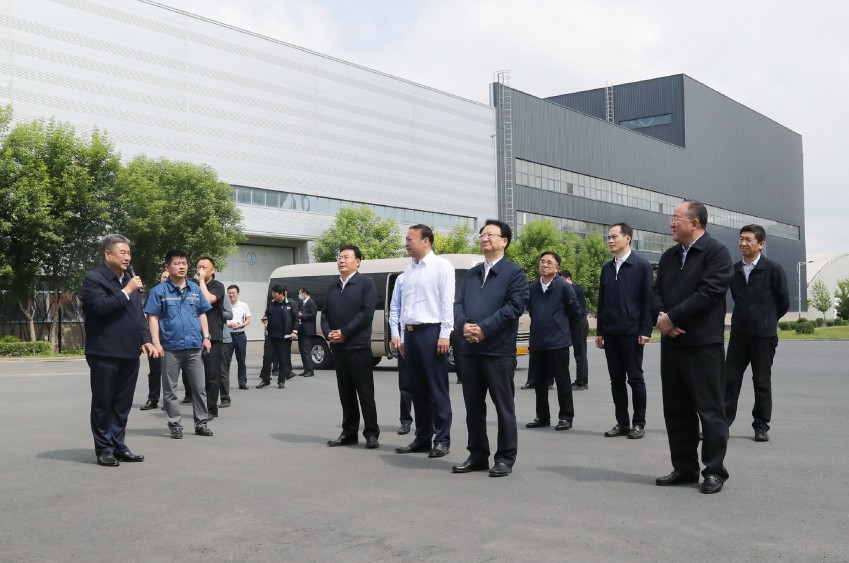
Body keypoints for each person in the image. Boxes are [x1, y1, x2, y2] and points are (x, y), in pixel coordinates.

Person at [652, 200, 733, 494]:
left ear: (695, 223)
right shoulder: (669, 256)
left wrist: (672, 317)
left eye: (676, 218)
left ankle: (714, 471)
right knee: (676, 409)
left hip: (703, 345)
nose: (671, 223)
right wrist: (661, 317)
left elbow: (710, 292)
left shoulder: (716, 253)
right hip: (672, 343)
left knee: (710, 411)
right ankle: (684, 468)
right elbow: (655, 292)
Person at [453, 220, 528, 477]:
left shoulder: (514, 273)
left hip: (498, 352)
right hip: (470, 351)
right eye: (482, 234)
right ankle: (477, 455)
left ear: (504, 241)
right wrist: (463, 325)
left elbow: (514, 307)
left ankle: (505, 458)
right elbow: (458, 304)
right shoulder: (472, 273)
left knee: (503, 408)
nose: (484, 238)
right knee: (473, 408)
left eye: (490, 234)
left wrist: (484, 329)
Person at [80, 234, 158, 466]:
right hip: (103, 352)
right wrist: (126, 291)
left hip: (129, 352)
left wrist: (146, 339)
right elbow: (100, 308)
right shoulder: (94, 279)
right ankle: (104, 449)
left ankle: (118, 445)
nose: (127, 257)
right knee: (103, 402)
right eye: (122, 252)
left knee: (122, 403)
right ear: (108, 254)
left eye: (129, 253)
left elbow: (138, 315)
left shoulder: (131, 279)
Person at [393, 225, 455, 459]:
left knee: (437, 388)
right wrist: (403, 336)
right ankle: (422, 437)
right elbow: (405, 307)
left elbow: (447, 301)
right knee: (417, 389)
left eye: (410, 239)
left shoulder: (441, 266)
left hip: (432, 332)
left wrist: (445, 333)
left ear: (426, 241)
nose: (406, 243)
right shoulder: (408, 271)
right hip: (411, 334)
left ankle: (442, 439)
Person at [724, 224, 790, 443]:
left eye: (748, 240)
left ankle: (761, 426)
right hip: (739, 335)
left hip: (764, 336)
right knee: (730, 380)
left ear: (761, 244)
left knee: (761, 381)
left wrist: (767, 320)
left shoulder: (772, 269)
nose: (743, 243)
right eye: (741, 239)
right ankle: (722, 424)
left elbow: (784, 302)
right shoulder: (734, 270)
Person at [145, 249, 214, 439]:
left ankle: (201, 423)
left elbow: (202, 313)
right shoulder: (158, 291)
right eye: (177, 263)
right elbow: (153, 317)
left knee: (199, 388)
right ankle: (174, 424)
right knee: (170, 390)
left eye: (184, 263)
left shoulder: (195, 289)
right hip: (170, 348)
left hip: (194, 347)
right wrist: (156, 342)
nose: (182, 266)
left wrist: (206, 337)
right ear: (167, 267)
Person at [595, 223, 654, 439]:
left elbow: (648, 300)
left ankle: (638, 423)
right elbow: (602, 301)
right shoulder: (607, 268)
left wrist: (645, 329)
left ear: (627, 238)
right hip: (611, 332)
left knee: (635, 378)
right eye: (608, 237)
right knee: (616, 380)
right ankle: (622, 422)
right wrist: (600, 330)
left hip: (632, 332)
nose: (610, 240)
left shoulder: (641, 265)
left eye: (614, 236)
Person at [321, 245, 380, 449]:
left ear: (358, 261)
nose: (341, 260)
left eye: (346, 257)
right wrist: (328, 333)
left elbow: (366, 314)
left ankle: (371, 433)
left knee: (365, 393)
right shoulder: (333, 287)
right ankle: (349, 432)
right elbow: (325, 314)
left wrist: (344, 332)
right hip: (338, 348)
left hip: (358, 347)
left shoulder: (366, 283)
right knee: (345, 393)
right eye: (339, 257)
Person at [525, 251, 582, 432]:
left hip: (558, 342)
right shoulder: (532, 288)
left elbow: (575, 313)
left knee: (562, 380)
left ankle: (566, 417)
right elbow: (531, 310)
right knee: (540, 382)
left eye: (549, 262)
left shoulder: (564, 287)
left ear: (557, 267)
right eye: (542, 261)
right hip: (538, 342)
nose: (545, 265)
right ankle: (542, 416)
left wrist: (560, 327)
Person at [196, 257, 226, 419]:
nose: (200, 270)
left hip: (213, 336)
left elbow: (207, 300)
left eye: (204, 267)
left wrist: (201, 281)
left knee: (212, 374)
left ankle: (211, 409)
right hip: (195, 335)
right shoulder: (192, 285)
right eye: (198, 267)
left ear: (212, 270)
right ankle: (199, 406)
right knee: (197, 376)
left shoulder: (217, 286)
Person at [257, 285, 298, 388]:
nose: (273, 295)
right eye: (273, 293)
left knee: (283, 359)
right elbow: (266, 314)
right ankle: (265, 379)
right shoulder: (271, 304)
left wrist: (294, 332)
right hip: (270, 336)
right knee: (267, 358)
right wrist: (265, 319)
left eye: (275, 293)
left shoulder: (291, 304)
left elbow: (296, 319)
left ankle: (281, 381)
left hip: (284, 337)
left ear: (282, 293)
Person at [140, 271, 170, 411]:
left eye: (167, 277)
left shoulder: (176, 292)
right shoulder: (154, 292)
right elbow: (146, 314)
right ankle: (153, 399)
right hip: (155, 338)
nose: (165, 279)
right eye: (163, 277)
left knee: (170, 372)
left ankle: (169, 400)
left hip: (171, 338)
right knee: (155, 371)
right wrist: (144, 336)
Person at [388, 274, 413, 435]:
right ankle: (405, 420)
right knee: (405, 384)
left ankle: (430, 422)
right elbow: (395, 308)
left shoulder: (435, 273)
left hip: (426, 338)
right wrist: (395, 334)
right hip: (405, 339)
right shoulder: (402, 278)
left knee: (428, 383)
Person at [560, 270, 589, 390]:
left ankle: (582, 381)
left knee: (580, 353)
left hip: (579, 322)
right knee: (577, 353)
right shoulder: (570, 289)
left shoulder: (574, 289)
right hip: (573, 322)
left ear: (569, 279)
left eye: (562, 280)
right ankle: (580, 380)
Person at [225, 284, 251, 390]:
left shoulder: (244, 305)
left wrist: (242, 324)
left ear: (238, 293)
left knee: (241, 361)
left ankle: (242, 382)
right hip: (228, 336)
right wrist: (229, 324)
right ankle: (225, 384)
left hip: (240, 335)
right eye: (229, 293)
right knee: (226, 362)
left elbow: (248, 319)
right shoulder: (224, 306)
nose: (231, 295)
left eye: (233, 293)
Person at [296, 287, 317, 377]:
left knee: (306, 350)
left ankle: (310, 370)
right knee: (302, 350)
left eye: (300, 293)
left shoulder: (311, 302)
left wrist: (302, 315)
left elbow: (313, 315)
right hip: (301, 330)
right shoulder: (301, 303)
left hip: (308, 330)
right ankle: (306, 369)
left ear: (304, 293)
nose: (299, 295)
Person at [218, 293, 234, 408]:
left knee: (222, 370)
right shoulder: (198, 294)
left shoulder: (221, 295)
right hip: (202, 339)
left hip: (221, 339)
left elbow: (229, 314)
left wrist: (215, 311)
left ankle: (225, 397)